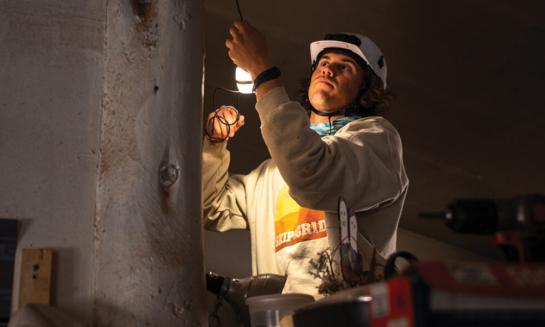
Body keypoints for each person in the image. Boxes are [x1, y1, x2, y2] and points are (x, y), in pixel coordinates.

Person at [202, 20, 408, 298]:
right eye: (324, 62)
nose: (328, 69)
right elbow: (208, 208)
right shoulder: (271, 174)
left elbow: (313, 172)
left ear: (366, 89)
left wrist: (263, 73)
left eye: (344, 67)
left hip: (343, 317)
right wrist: (214, 145)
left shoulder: (376, 142)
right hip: (280, 317)